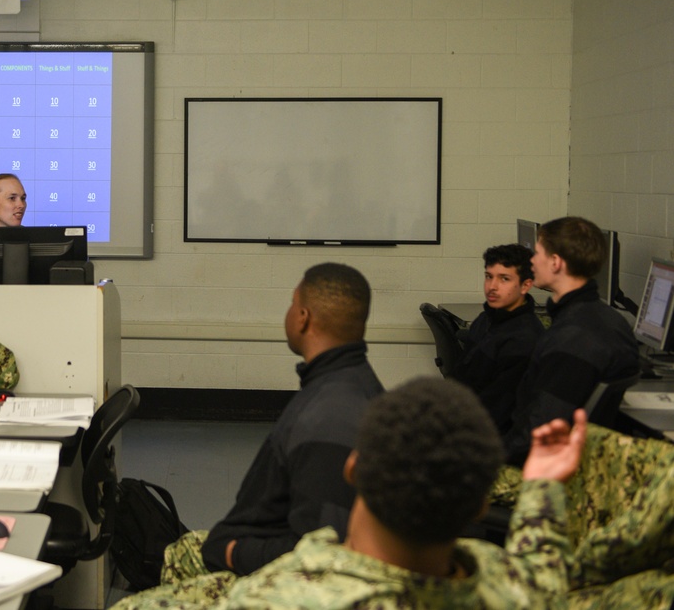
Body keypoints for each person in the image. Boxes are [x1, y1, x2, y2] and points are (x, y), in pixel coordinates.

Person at [112, 378, 583, 610]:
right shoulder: (518, 589)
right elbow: (543, 562)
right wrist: (541, 485)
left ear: (353, 468)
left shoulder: (275, 597)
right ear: (482, 503)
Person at [162, 263, 385, 585]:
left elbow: (320, 554)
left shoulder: (327, 418)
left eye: (293, 303)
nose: (290, 311)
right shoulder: (353, 382)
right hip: (266, 536)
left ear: (303, 317)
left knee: (177, 561)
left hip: (279, 575)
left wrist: (232, 552)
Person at [502, 216, 638, 466]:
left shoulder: (574, 338)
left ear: (555, 262)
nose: (531, 259)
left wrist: (487, 460)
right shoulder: (606, 319)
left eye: (538, 252)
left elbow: (540, 434)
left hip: (539, 471)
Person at [449, 243, 545, 434]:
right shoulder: (486, 319)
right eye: (488, 277)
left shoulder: (523, 341)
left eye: (504, 279)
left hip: (484, 437)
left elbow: (495, 411)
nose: (492, 287)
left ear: (526, 285)